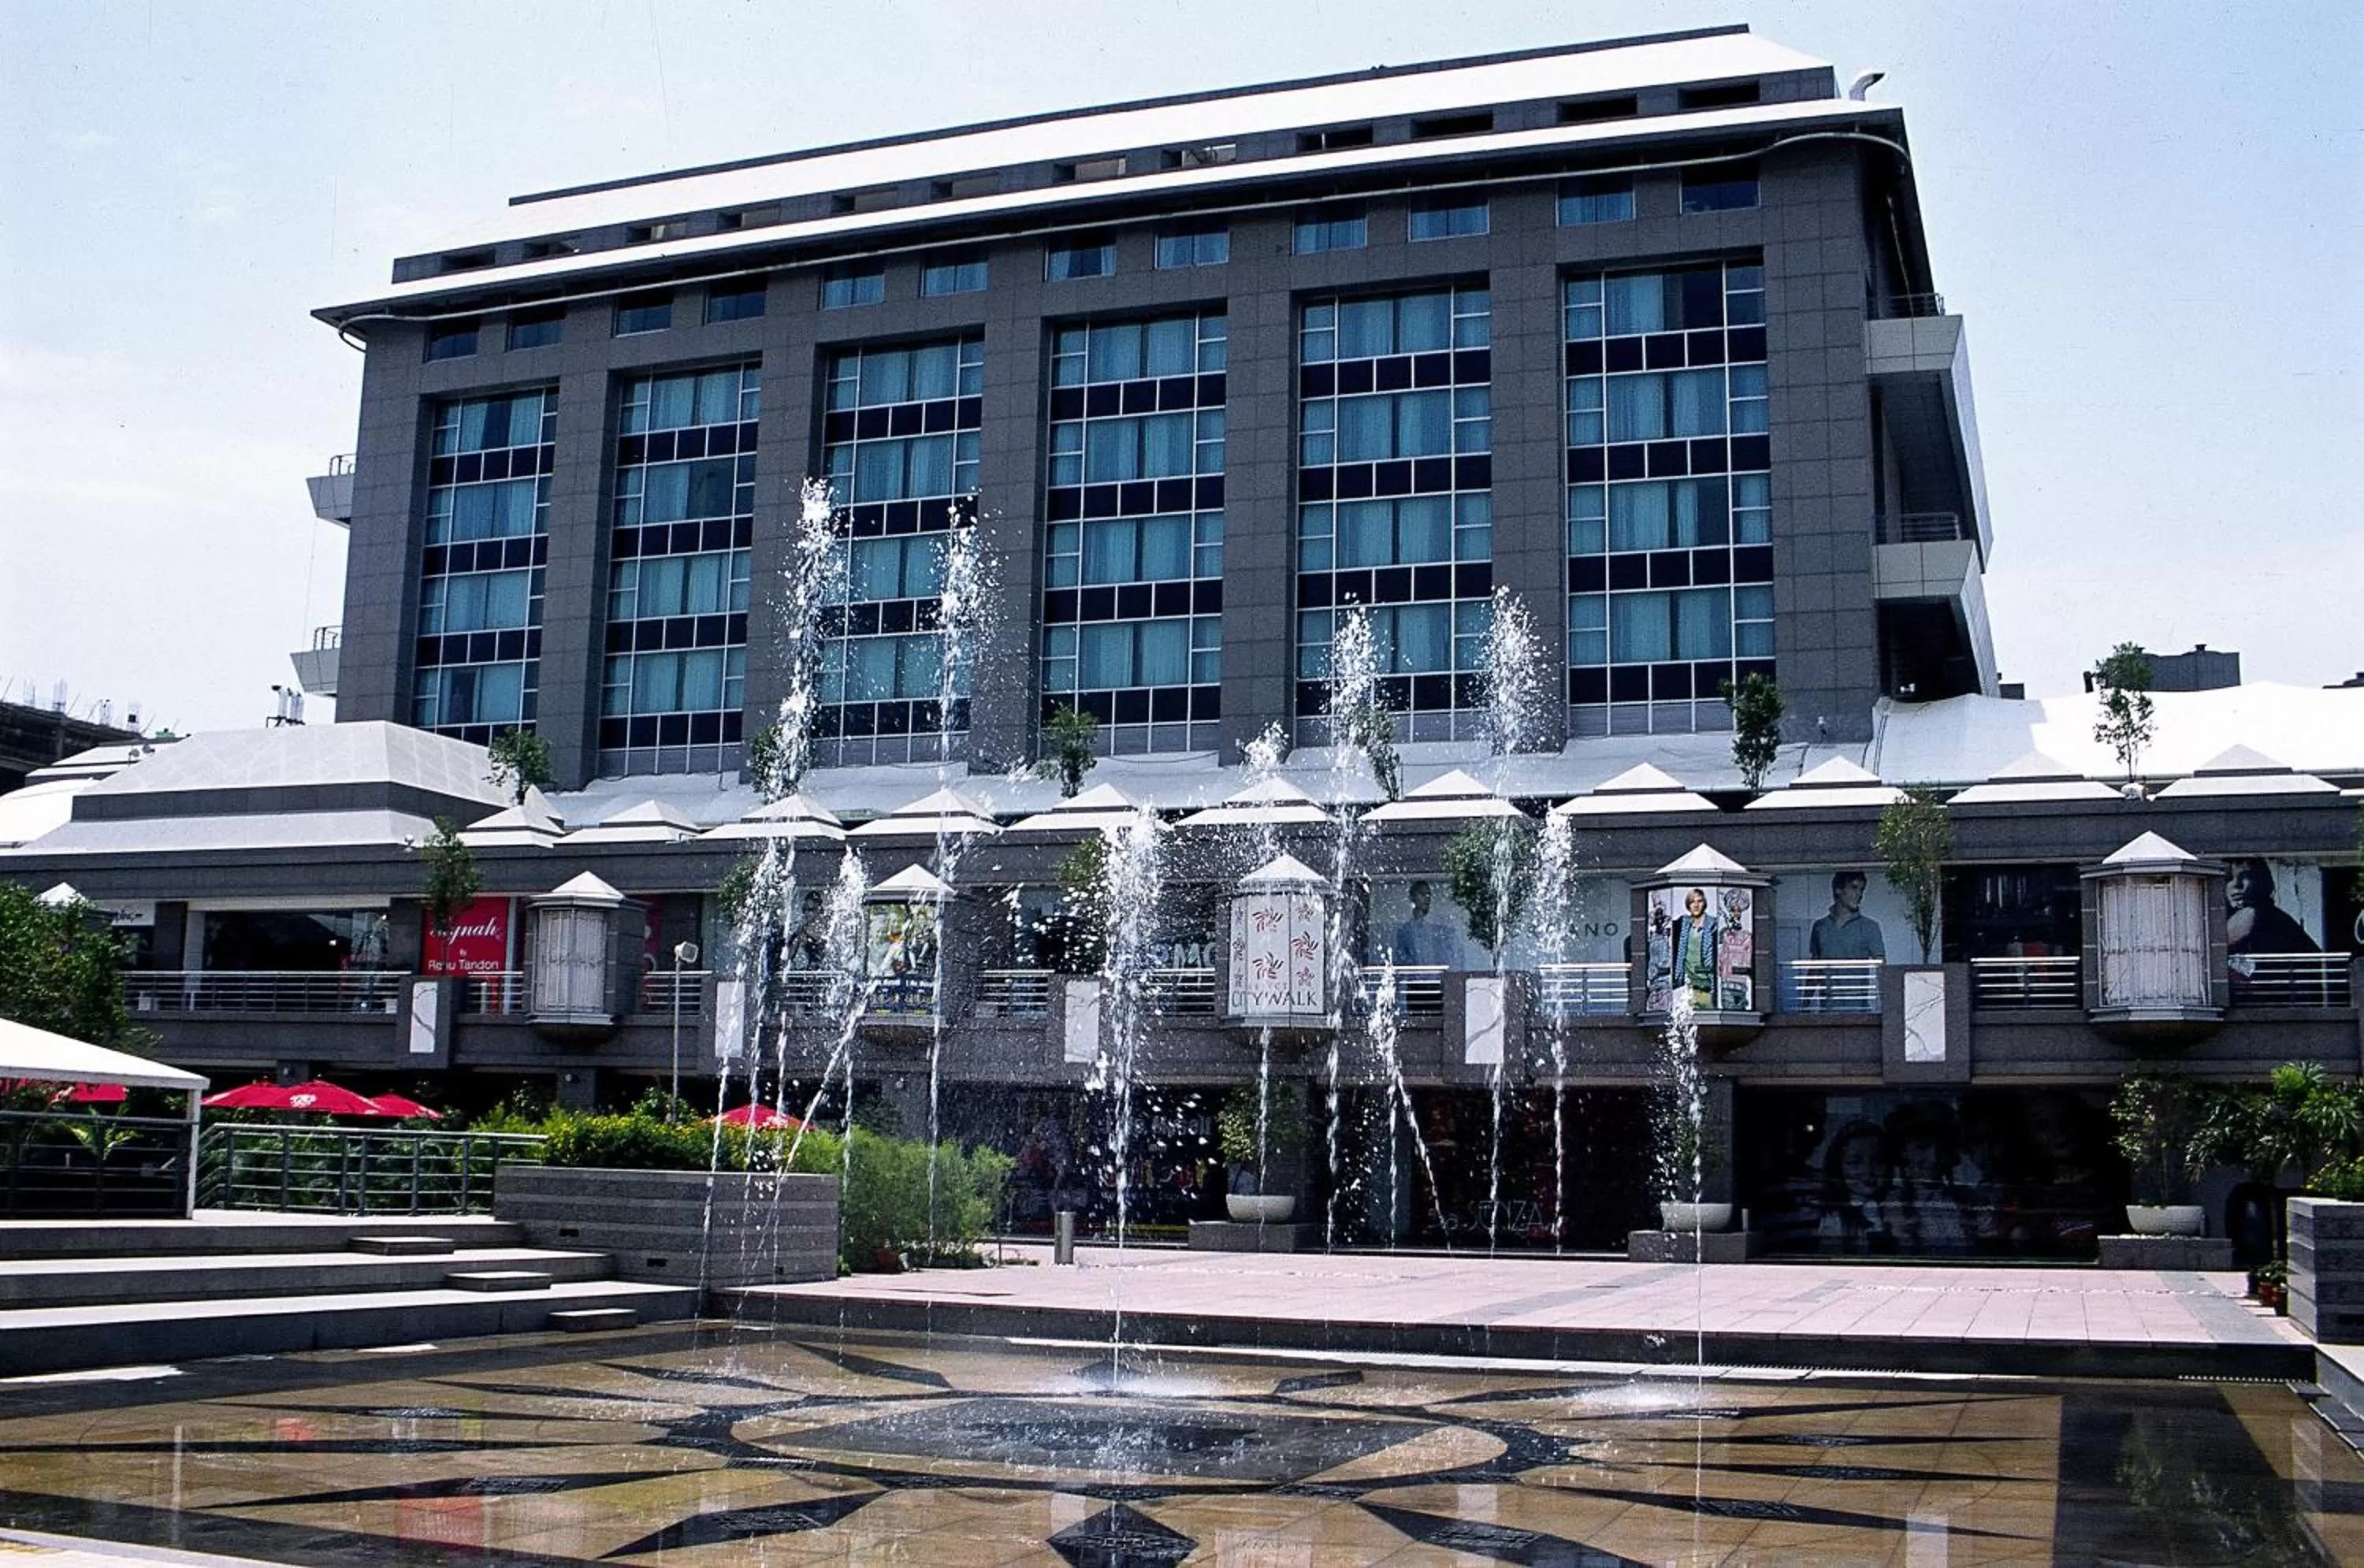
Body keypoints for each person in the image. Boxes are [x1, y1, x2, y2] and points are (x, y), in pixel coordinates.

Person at [2227, 858, 2319, 1001]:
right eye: (2228, 878)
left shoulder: (2259, 913)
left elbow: (2224, 939)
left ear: (2264, 882)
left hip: (2286, 1000)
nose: (2236, 885)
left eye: (2246, 877)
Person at [1809, 871, 1887, 961]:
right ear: (1838, 889)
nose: (1859, 894)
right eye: (1854, 888)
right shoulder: (1820, 926)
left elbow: (1880, 965)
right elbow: (1815, 964)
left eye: (1861, 890)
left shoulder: (1870, 927)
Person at [1669, 887, 1719, 1009]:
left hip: (1708, 984)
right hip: (1688, 985)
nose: (1696, 905)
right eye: (1692, 902)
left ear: (1704, 903)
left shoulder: (1713, 925)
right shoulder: (1683, 924)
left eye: (1699, 901)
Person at [1391, 881, 1459, 968]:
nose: (1427, 898)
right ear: (1412, 898)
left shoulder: (1439, 929)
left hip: (1436, 977)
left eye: (1428, 895)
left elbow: (1448, 956)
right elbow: (1401, 960)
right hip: (1414, 978)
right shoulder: (1404, 930)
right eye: (1422, 894)